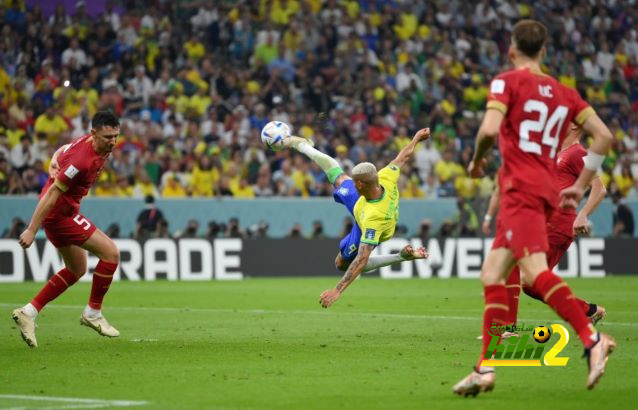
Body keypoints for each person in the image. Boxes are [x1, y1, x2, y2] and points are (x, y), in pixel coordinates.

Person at [453, 20, 615, 396]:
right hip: (543, 191)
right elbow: (604, 136)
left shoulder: (506, 82)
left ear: (512, 51)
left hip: (520, 189)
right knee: (493, 273)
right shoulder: (565, 94)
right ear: (544, 52)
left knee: (534, 275)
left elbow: (490, 131)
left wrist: (477, 162)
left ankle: (593, 340)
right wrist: (577, 187)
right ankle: (484, 368)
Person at [480, 124, 608, 341]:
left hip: (559, 224)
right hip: (543, 222)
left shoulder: (580, 153)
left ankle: (507, 327)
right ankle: (587, 310)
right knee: (531, 284)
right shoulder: (556, 154)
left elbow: (600, 188)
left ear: (575, 126)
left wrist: (583, 214)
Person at [282, 128, 431, 308]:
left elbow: (362, 259)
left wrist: (337, 290)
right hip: (365, 201)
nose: (351, 183)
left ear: (359, 184)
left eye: (354, 181)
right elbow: (403, 157)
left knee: (342, 263)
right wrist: (416, 138)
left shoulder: (373, 221)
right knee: (336, 176)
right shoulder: (385, 177)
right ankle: (303, 146)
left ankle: (400, 257)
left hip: (370, 219)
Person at [12, 111, 122, 348]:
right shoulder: (82, 161)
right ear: (94, 134)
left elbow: (62, 150)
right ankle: (93, 313)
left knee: (77, 268)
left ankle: (28, 313)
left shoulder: (89, 143)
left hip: (62, 213)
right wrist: (32, 229)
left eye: (115, 136)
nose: (112, 142)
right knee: (111, 254)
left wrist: (53, 160)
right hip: (60, 215)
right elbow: (53, 194)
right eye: (107, 137)